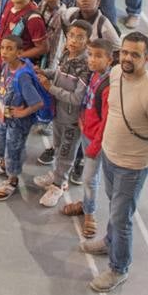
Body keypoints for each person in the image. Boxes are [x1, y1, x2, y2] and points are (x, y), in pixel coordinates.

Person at [82, 32, 148, 293]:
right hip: (110, 156)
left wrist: (145, 159)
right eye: (124, 52)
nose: (128, 58)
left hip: (132, 166)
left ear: (147, 58)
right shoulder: (114, 75)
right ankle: (109, 242)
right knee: (114, 206)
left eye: (135, 54)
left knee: (122, 218)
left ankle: (118, 268)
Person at [32, 19, 93, 208]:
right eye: (71, 36)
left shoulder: (85, 66)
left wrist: (51, 88)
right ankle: (57, 174)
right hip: (58, 113)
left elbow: (76, 98)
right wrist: (44, 72)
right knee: (58, 147)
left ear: (88, 41)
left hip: (72, 119)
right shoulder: (67, 54)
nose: (74, 40)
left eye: (80, 37)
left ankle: (58, 185)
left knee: (67, 152)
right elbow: (58, 74)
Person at [58, 40, 113, 239]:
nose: (92, 59)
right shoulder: (94, 76)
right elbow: (87, 101)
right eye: (90, 54)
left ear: (110, 59)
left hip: (96, 142)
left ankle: (89, 214)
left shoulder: (108, 86)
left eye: (98, 56)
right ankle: (86, 204)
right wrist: (81, 118)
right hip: (86, 132)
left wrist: (94, 147)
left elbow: (106, 123)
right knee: (89, 178)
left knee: (90, 179)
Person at [0, 35, 45, 198]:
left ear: (20, 52)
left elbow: (38, 103)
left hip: (17, 123)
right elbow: (5, 86)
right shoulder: (6, 65)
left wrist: (23, 113)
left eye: (9, 49)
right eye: (2, 48)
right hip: (5, 117)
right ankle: (4, 165)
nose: (4, 52)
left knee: (13, 150)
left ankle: (12, 180)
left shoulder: (22, 76)